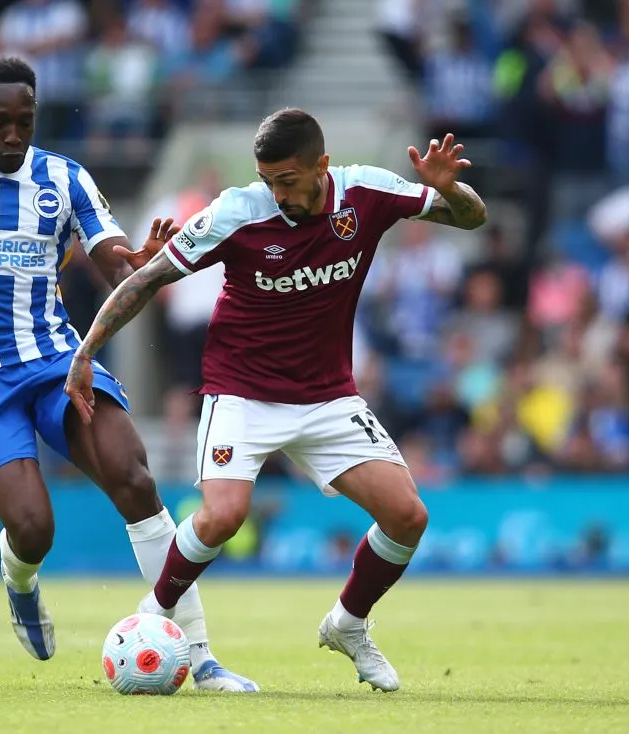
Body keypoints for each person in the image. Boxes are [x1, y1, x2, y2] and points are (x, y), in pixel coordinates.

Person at [0, 56, 256, 692]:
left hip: (55, 362)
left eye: (24, 121)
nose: (14, 135)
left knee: (134, 476)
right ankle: (20, 579)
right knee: (34, 527)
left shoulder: (65, 181)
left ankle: (203, 658)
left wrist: (146, 268)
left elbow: (117, 273)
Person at [65, 110, 487, 692]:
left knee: (409, 516)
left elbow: (471, 218)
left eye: (288, 180)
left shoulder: (367, 192)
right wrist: (87, 350)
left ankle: (348, 624)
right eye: (268, 180)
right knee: (223, 516)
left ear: (322, 165)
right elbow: (146, 280)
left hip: (326, 396)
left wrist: (449, 189)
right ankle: (153, 615)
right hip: (242, 390)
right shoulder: (238, 211)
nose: (277, 193)